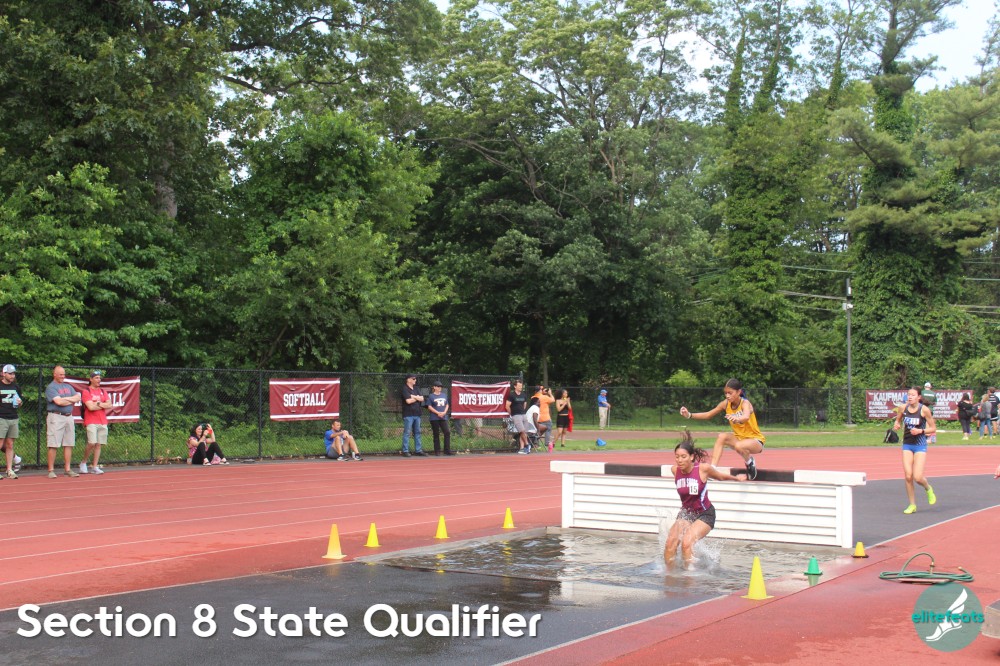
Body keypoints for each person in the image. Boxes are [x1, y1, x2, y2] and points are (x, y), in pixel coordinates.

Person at [664, 431, 746, 569]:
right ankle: (669, 574)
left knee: (686, 543)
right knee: (670, 543)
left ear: (691, 457)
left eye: (683, 457)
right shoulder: (675, 470)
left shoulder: (703, 469)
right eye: (677, 457)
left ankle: (689, 576)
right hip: (686, 514)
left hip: (705, 514)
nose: (679, 460)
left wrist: (736, 478)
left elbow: (720, 477)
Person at [678, 378, 765, 480]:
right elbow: (708, 414)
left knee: (739, 446)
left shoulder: (745, 403)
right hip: (739, 439)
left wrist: (737, 419)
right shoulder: (725, 403)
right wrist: (689, 415)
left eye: (730, 393)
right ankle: (713, 469)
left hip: (755, 441)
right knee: (722, 436)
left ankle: (749, 462)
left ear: (738, 392)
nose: (727, 395)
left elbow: (745, 416)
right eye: (726, 393)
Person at [892, 386, 937, 514]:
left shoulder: (924, 410)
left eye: (913, 395)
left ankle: (928, 488)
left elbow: (933, 428)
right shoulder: (903, 408)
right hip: (907, 444)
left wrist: (920, 431)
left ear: (919, 397)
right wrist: (897, 424)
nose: (910, 397)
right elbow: (898, 420)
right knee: (908, 476)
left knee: (917, 477)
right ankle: (912, 504)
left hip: (920, 445)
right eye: (909, 394)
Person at [45, 365, 82, 478]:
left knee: (69, 443)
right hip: (56, 417)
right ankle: (51, 470)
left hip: (69, 417)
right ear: (54, 374)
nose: (63, 376)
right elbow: (58, 402)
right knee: (53, 444)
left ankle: (67, 469)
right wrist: (71, 400)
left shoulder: (68, 386)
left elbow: (78, 397)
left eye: (64, 374)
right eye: (60, 374)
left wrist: (65, 400)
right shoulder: (51, 387)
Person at [79, 370, 111, 474]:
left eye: (99, 378)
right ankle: (83, 462)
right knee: (92, 443)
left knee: (98, 444)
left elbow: (109, 404)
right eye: (96, 378)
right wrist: (102, 404)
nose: (99, 380)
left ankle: (95, 466)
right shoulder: (86, 391)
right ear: (91, 379)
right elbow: (90, 407)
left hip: (102, 420)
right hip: (91, 420)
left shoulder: (103, 391)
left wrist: (97, 403)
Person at [0, 364, 23, 479]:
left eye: (13, 373)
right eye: (10, 373)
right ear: (3, 374)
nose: (12, 376)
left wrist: (19, 403)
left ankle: (9, 470)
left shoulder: (16, 387)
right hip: (1, 418)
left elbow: (20, 403)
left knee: (10, 444)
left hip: (13, 418)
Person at [400, 374, 426, 457]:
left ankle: (418, 450)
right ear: (408, 380)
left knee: (417, 432)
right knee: (407, 432)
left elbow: (422, 398)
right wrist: (417, 397)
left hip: (417, 414)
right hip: (408, 414)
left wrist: (413, 396)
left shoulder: (416, 388)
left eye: (415, 379)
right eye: (413, 379)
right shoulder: (404, 388)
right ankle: (405, 451)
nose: (415, 380)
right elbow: (408, 401)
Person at [426, 381, 452, 455]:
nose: (440, 388)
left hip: (443, 417)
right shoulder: (431, 396)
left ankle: (447, 450)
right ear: (434, 387)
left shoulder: (444, 395)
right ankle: (437, 451)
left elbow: (447, 405)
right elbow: (429, 406)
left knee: (447, 432)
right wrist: (437, 413)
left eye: (440, 386)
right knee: (436, 433)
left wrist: (444, 412)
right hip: (434, 418)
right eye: (438, 386)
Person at [505, 379, 529, 453]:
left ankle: (522, 448)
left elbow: (524, 405)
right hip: (516, 415)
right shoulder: (511, 395)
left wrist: (522, 411)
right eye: (519, 386)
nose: (521, 387)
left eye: (521, 386)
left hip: (523, 415)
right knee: (522, 431)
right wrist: (512, 413)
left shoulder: (524, 395)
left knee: (524, 432)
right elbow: (507, 406)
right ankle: (527, 445)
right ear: (515, 386)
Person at [532, 386, 555, 452]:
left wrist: (543, 393)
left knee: (538, 430)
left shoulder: (533, 397)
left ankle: (536, 444)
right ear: (540, 390)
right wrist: (550, 393)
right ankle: (547, 443)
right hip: (545, 418)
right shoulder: (544, 397)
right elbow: (553, 400)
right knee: (548, 430)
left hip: (537, 418)